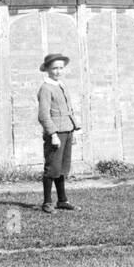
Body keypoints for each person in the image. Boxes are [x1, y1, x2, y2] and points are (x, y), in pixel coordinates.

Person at [37, 53, 80, 214]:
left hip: (67, 131)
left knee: (62, 168)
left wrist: (74, 129)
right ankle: (47, 202)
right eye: (54, 68)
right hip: (56, 134)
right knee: (52, 168)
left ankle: (62, 200)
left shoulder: (61, 85)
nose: (58, 71)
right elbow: (43, 115)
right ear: (47, 69)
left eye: (61, 68)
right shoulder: (45, 88)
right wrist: (53, 134)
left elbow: (69, 110)